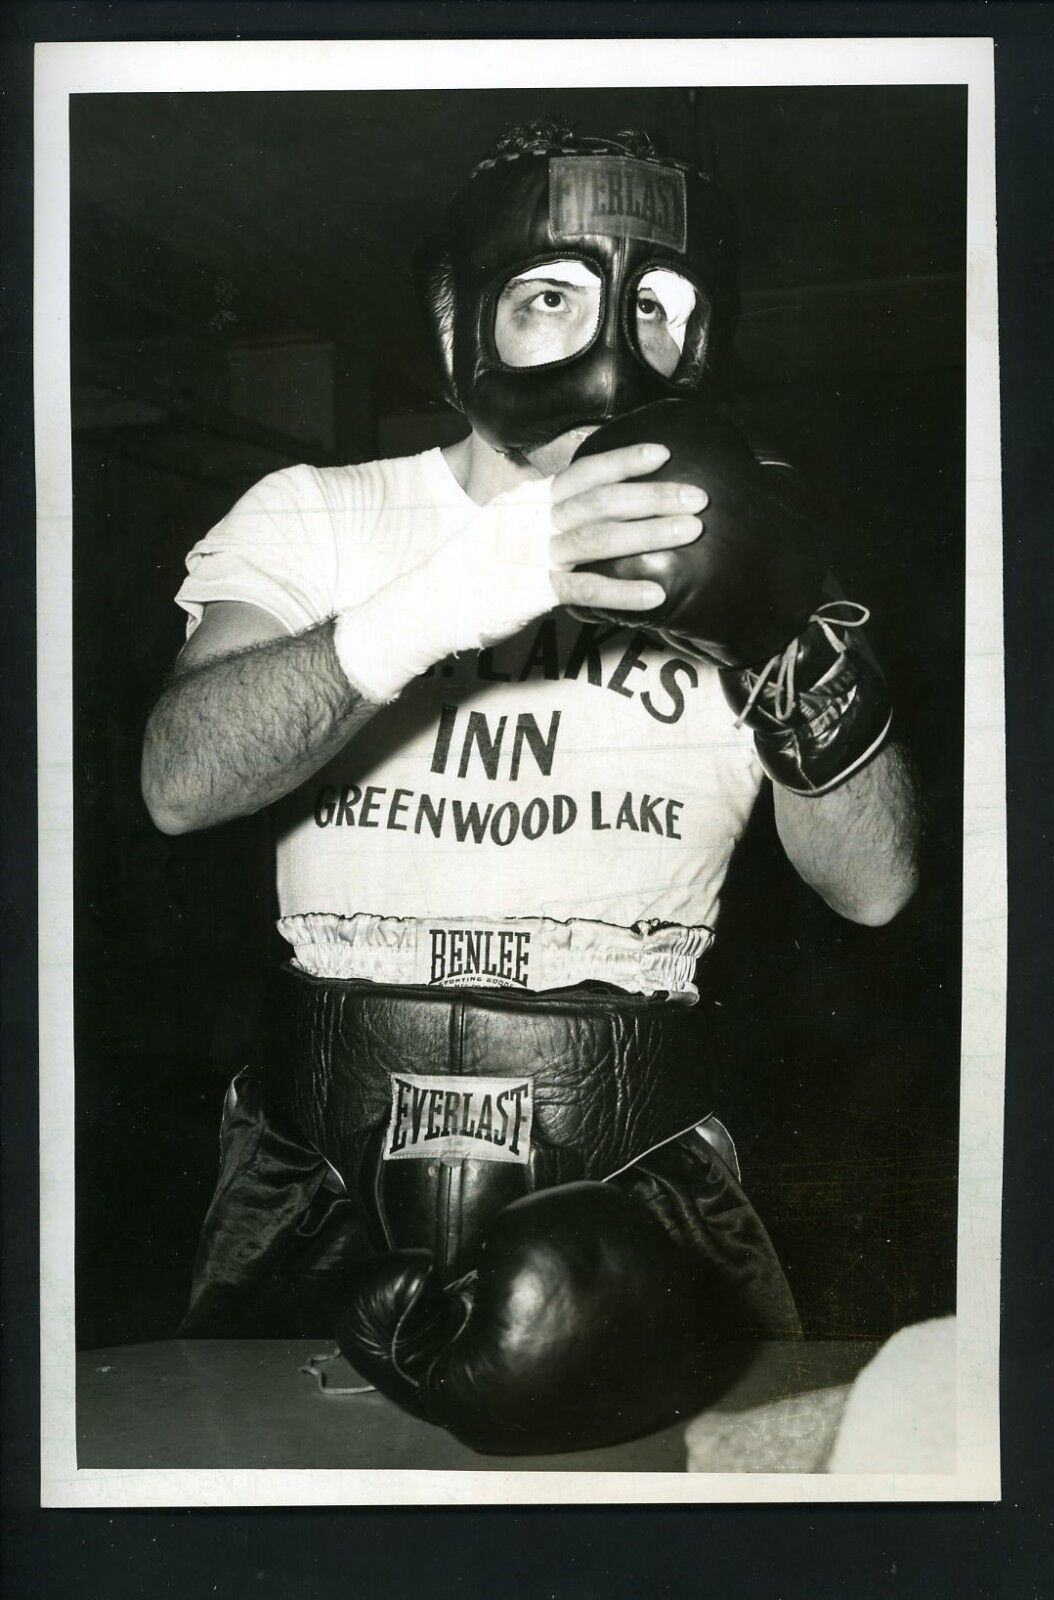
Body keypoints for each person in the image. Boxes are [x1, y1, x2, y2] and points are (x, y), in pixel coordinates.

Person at [142, 122, 920, 1453]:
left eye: (663, 308)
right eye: (548, 295)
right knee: (261, 1501)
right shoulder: (318, 514)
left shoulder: (755, 533)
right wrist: (464, 587)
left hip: (636, 1140)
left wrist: (785, 635)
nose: (611, 348)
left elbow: (875, 887)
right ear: (461, 325)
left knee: (664, 1526)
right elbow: (180, 782)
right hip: (315, 1146)